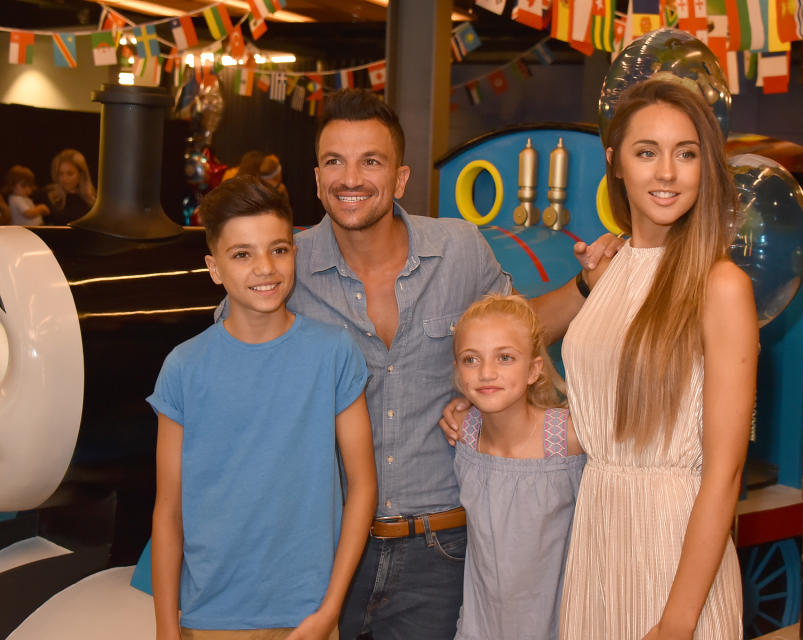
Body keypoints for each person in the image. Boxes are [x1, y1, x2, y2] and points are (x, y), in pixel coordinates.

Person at [250, 88, 610, 640]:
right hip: (324, 547)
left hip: (440, 552)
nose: (351, 178)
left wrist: (586, 284)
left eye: (371, 161)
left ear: (399, 179)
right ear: (317, 177)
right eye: (334, 161)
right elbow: (234, 369)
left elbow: (521, 327)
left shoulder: (460, 249)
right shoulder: (285, 267)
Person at [557, 80, 758, 639]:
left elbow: (726, 472)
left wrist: (678, 619)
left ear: (706, 168)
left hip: (675, 552)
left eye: (686, 153)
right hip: (597, 536)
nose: (667, 172)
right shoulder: (611, 265)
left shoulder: (721, 285)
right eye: (646, 152)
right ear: (615, 163)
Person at [149, 175, 377, 640]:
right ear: (214, 268)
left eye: (278, 249)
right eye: (242, 254)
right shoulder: (184, 367)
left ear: (295, 251)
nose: (265, 268)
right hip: (207, 620)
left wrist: (329, 612)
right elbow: (168, 510)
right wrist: (166, 629)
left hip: (308, 619)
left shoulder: (333, 352)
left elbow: (363, 486)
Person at [451, 294, 585, 640]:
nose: (486, 373)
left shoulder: (567, 437)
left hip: (557, 624)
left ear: (534, 370)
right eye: (471, 360)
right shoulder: (467, 432)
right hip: (482, 626)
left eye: (505, 358)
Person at [41, 148, 96, 225]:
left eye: (70, 174)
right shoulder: (49, 195)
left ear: (81, 174)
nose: (64, 179)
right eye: (60, 174)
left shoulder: (93, 199)